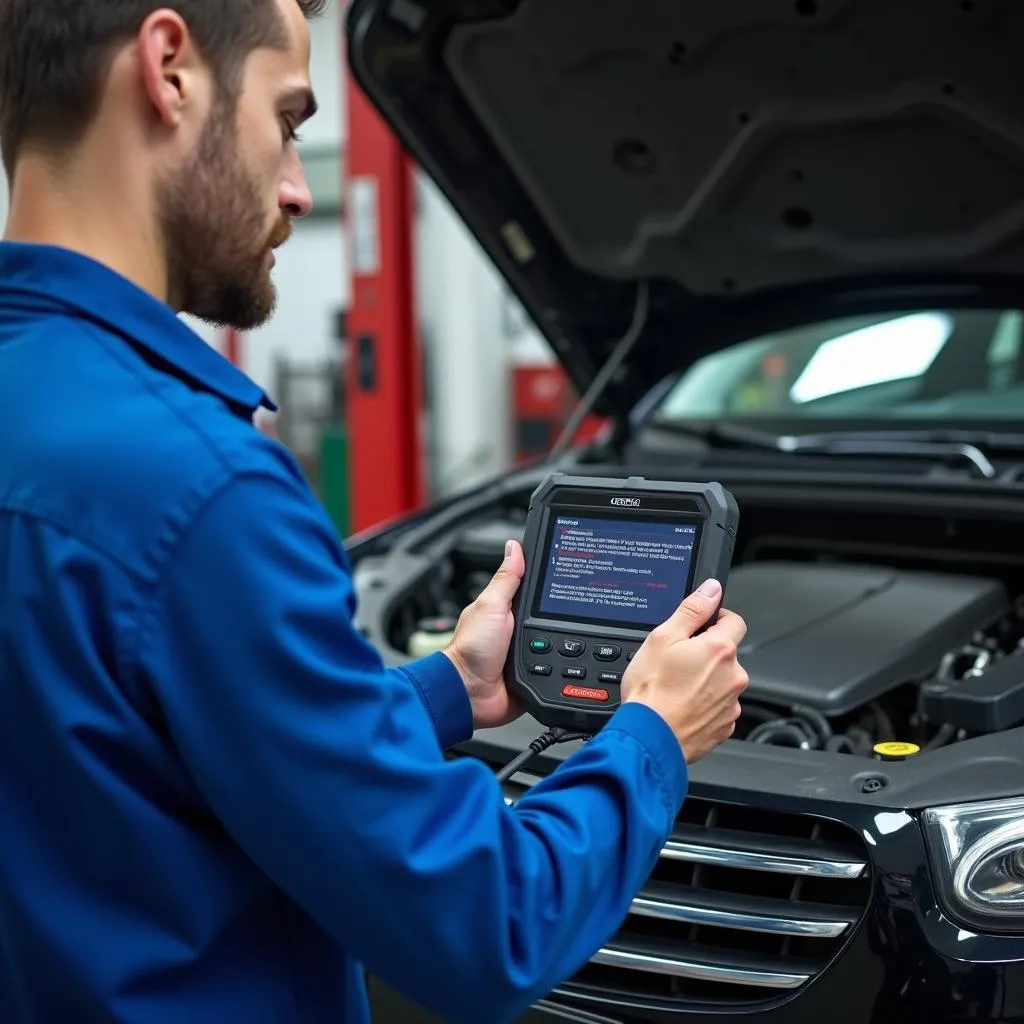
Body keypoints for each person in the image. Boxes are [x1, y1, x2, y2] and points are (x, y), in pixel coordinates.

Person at [0, 2, 750, 1022]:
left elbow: (159, 751)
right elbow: (487, 925)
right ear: (168, 68)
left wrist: (449, 688)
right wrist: (654, 733)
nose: (301, 187)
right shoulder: (202, 491)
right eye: (289, 119)